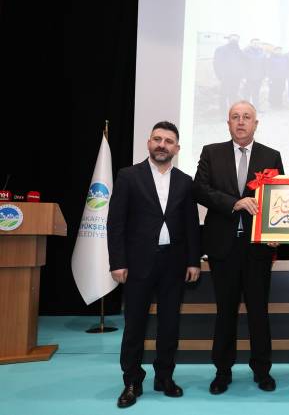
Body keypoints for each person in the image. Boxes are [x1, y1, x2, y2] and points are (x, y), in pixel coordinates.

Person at [107, 121, 201, 408]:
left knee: (169, 326)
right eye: (157, 139)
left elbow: (191, 225)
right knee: (134, 326)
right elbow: (116, 222)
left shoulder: (186, 181)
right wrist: (117, 262)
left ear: (177, 148)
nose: (162, 145)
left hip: (174, 264)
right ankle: (132, 382)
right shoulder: (128, 176)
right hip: (137, 265)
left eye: (168, 141)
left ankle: (165, 377)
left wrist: (193, 261)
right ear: (149, 143)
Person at [193, 101, 284, 394]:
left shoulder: (271, 155)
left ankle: (262, 371)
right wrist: (235, 203)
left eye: (246, 117)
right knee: (225, 312)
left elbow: (279, 199)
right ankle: (222, 371)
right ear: (228, 123)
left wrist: (276, 232)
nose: (241, 122)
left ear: (256, 123)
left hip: (258, 249)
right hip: (223, 248)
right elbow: (200, 190)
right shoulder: (211, 152)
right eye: (235, 117)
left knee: (259, 312)